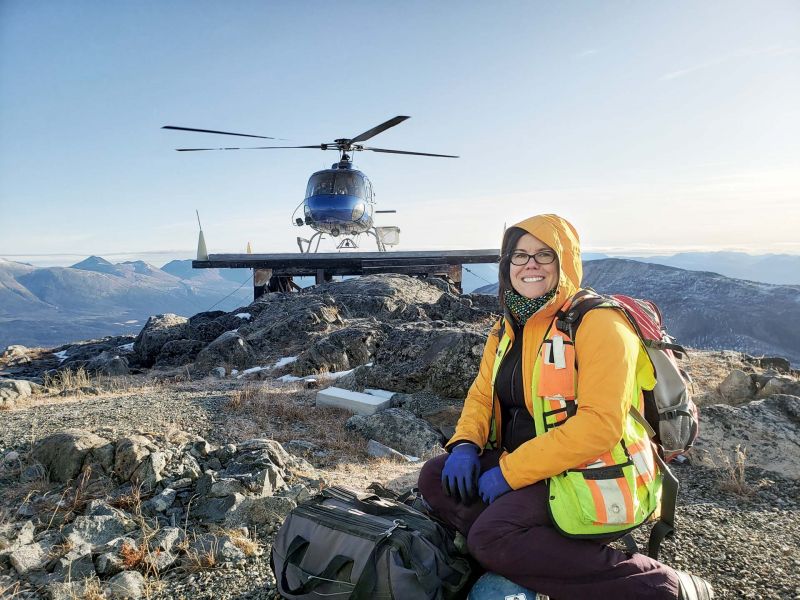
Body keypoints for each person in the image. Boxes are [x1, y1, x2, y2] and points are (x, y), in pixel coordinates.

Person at [418, 214, 714, 600]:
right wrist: (464, 446)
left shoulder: (598, 323)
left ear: (566, 262)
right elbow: (481, 395)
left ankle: (664, 586)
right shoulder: (507, 327)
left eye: (544, 254)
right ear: (507, 266)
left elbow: (600, 425)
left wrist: (509, 472)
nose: (530, 265)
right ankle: (527, 553)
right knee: (435, 477)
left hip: (597, 473)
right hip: (532, 466)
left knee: (491, 537)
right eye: (519, 256)